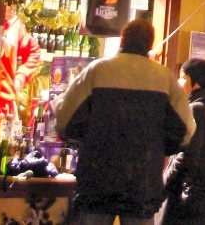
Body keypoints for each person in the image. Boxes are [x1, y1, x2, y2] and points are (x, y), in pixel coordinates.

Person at [54, 19, 196, 225]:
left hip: (97, 179)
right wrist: (160, 147)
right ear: (150, 44)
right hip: (143, 183)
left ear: (123, 39)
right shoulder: (165, 79)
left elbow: (65, 121)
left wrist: (88, 137)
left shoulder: (97, 71)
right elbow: (185, 133)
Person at [157, 58, 205, 224]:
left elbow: (186, 156)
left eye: (183, 77)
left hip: (187, 199)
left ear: (196, 83)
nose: (179, 82)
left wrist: (164, 183)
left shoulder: (196, 110)